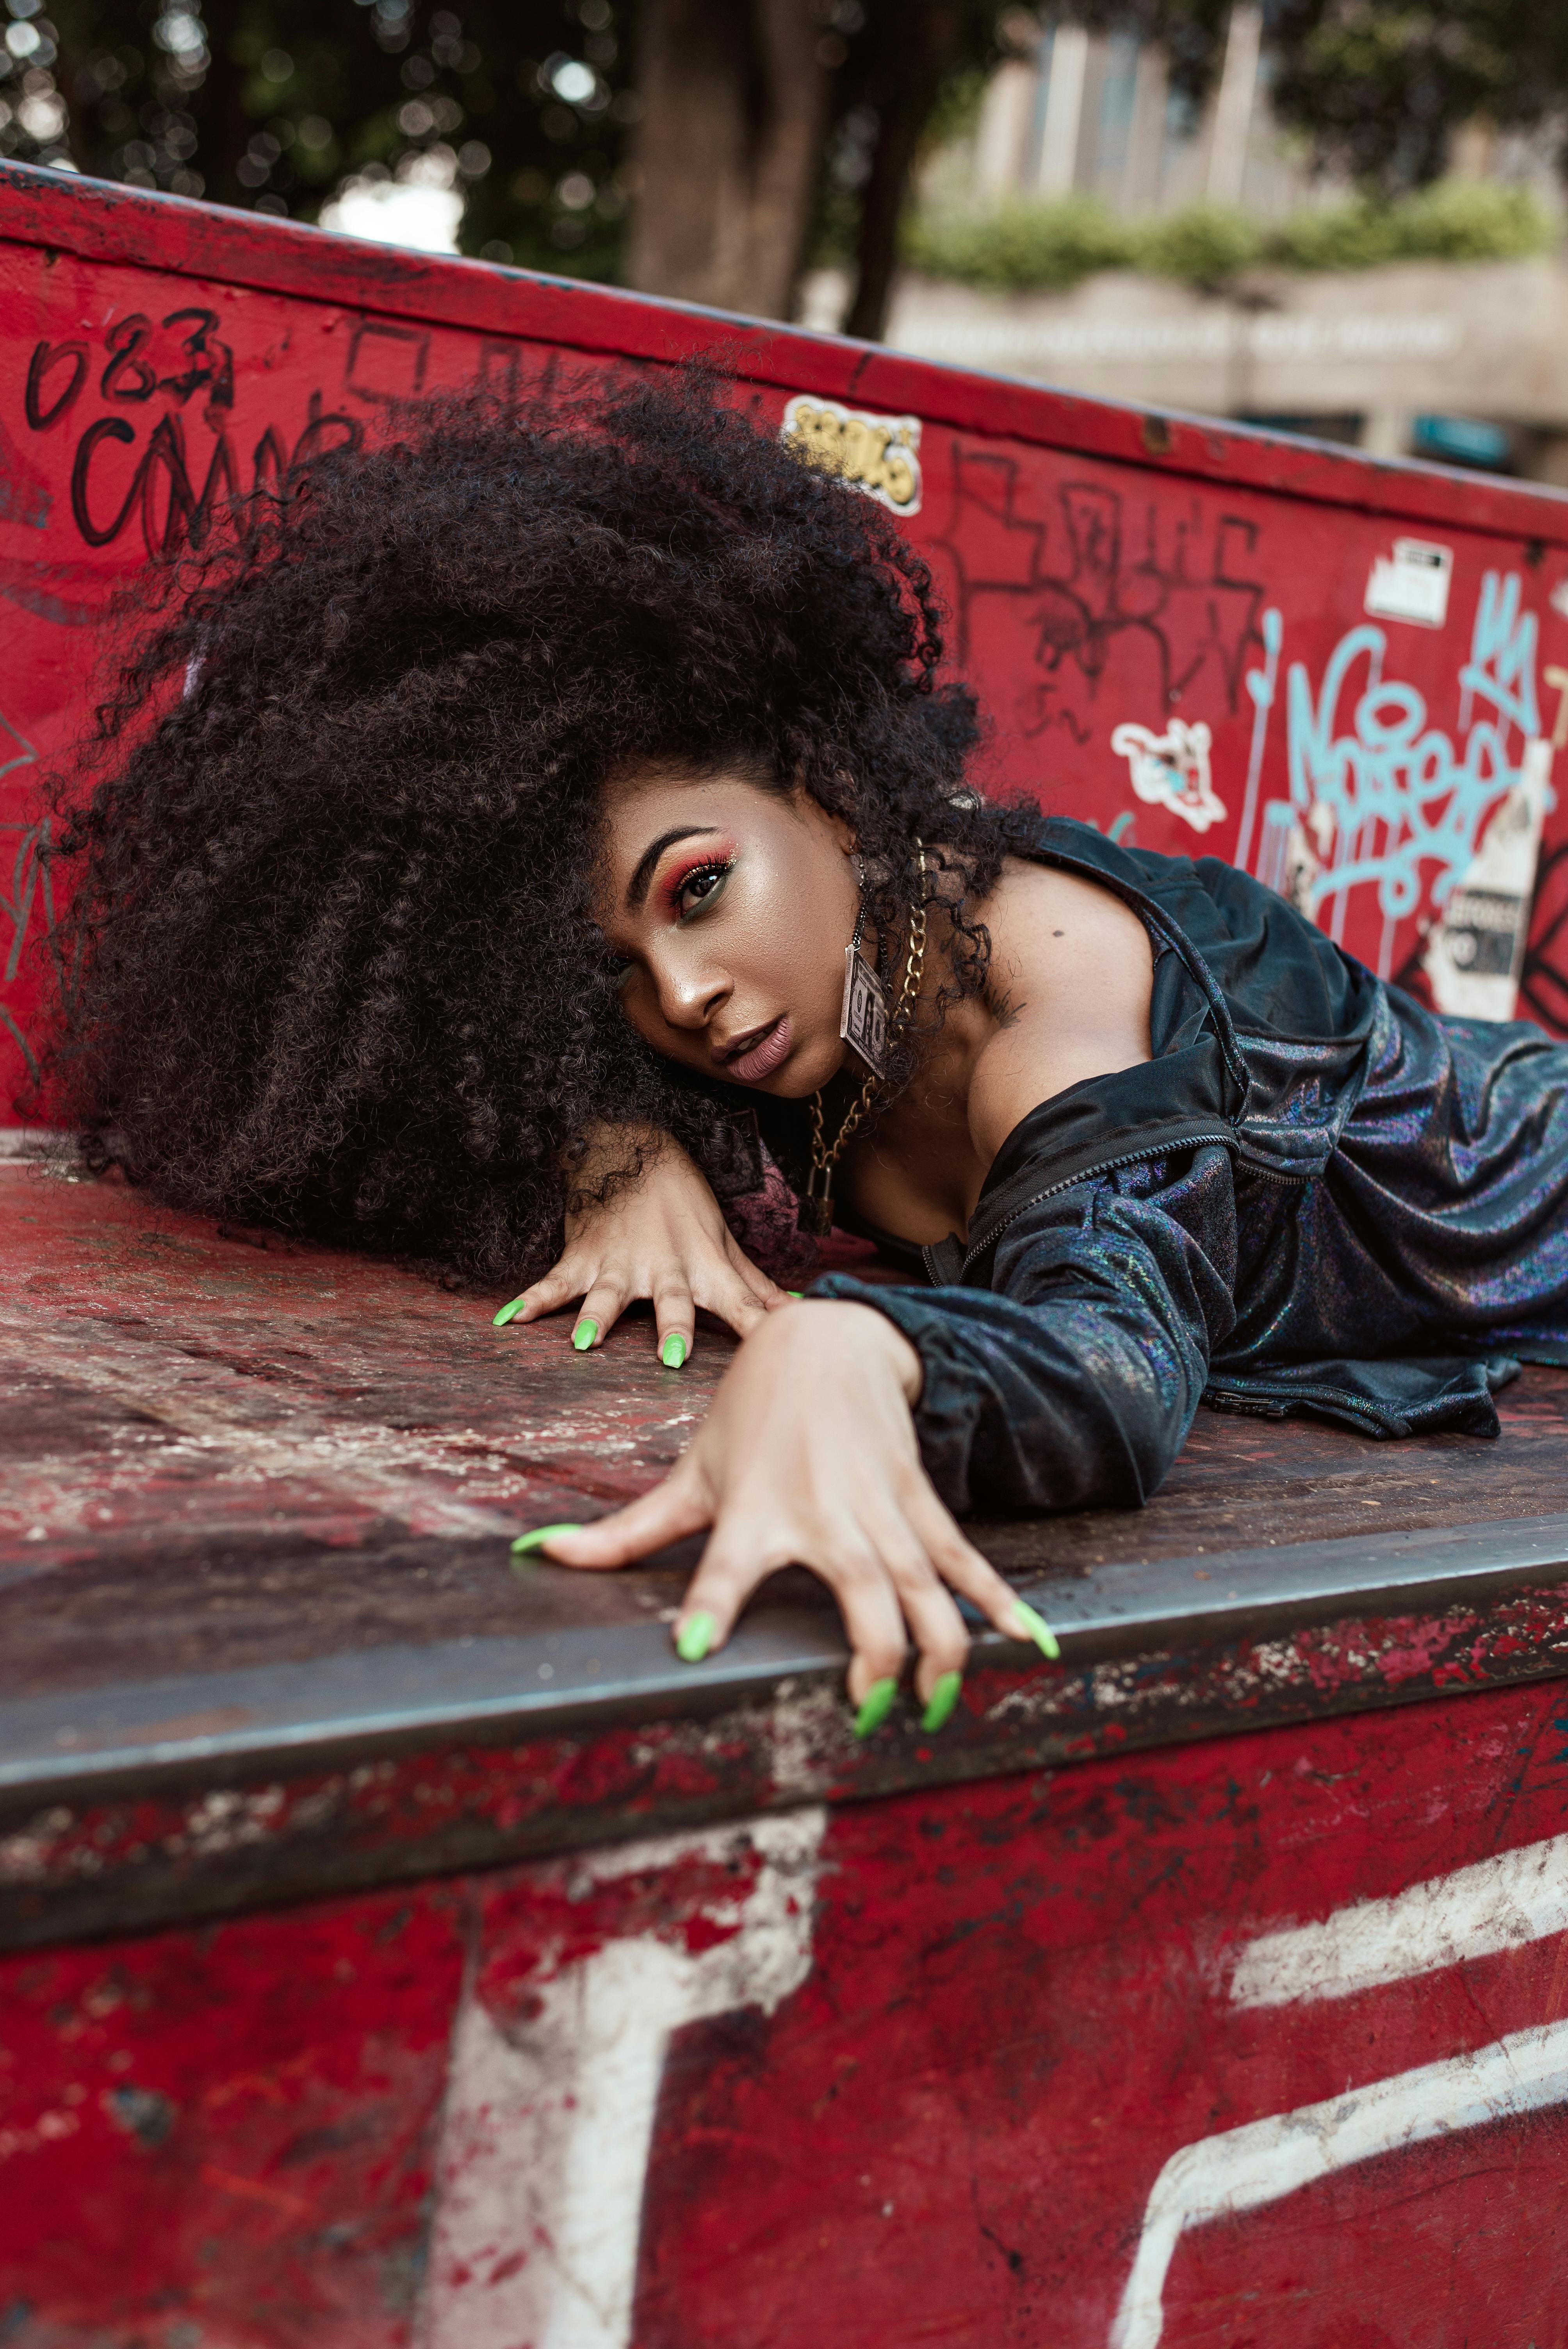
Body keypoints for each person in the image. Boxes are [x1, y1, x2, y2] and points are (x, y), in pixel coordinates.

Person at [49, 377, 1568, 1736]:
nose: (692, 998)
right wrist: (615, 1142)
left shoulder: (1053, 999)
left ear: (807, 768)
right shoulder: (819, 965)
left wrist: (846, 1350)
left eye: (696, 888)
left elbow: (1114, 1369)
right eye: (616, 980)